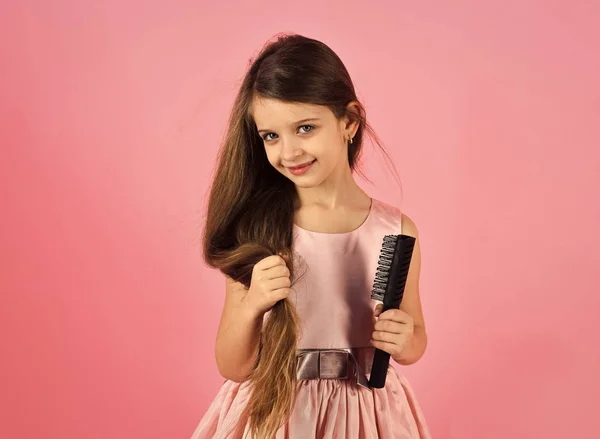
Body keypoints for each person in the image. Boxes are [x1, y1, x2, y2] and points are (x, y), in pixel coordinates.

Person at [191, 33, 430, 439]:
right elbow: (232, 366)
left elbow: (415, 334)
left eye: (305, 128)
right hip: (277, 414)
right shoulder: (259, 229)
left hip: (367, 414)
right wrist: (252, 306)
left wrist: (405, 340)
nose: (289, 152)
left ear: (349, 121)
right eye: (271, 136)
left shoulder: (395, 230)